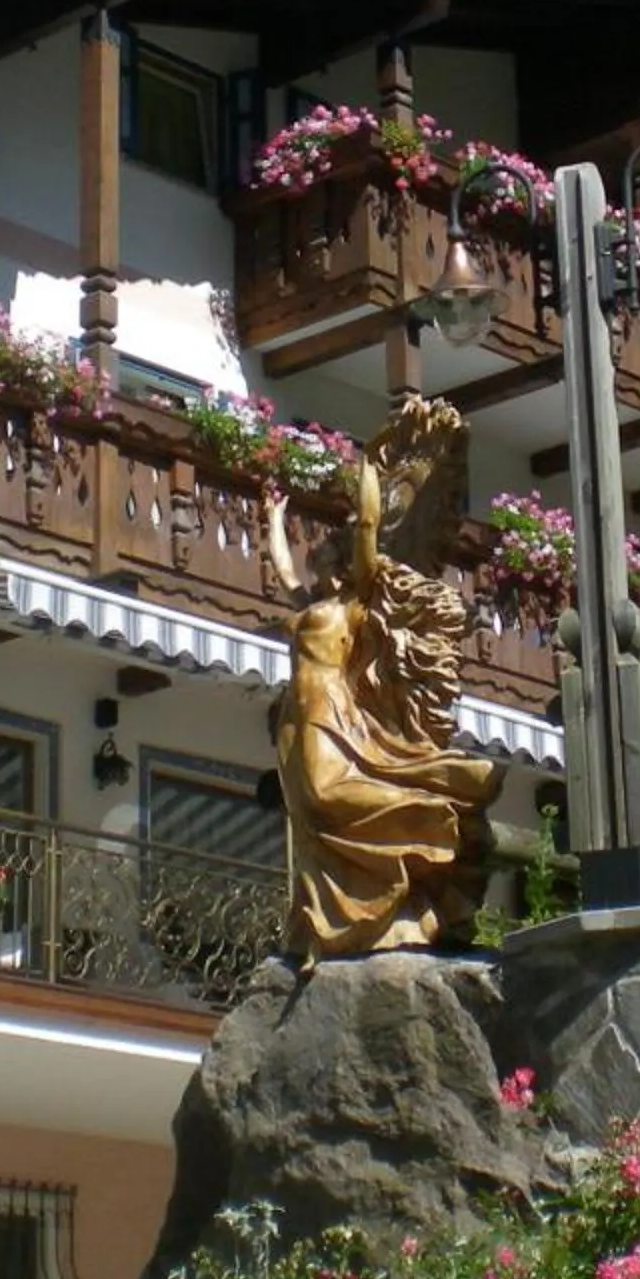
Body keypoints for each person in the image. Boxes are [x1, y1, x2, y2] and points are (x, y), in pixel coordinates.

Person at [264, 410, 501, 960]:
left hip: (332, 716)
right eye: (315, 560)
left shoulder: (356, 603)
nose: (316, 566)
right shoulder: (311, 606)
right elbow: (283, 574)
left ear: (343, 566)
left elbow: (369, 527)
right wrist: (274, 520)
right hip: (292, 724)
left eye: (324, 559)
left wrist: (368, 466)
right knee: (306, 820)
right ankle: (325, 923)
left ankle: (419, 833)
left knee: (327, 796)